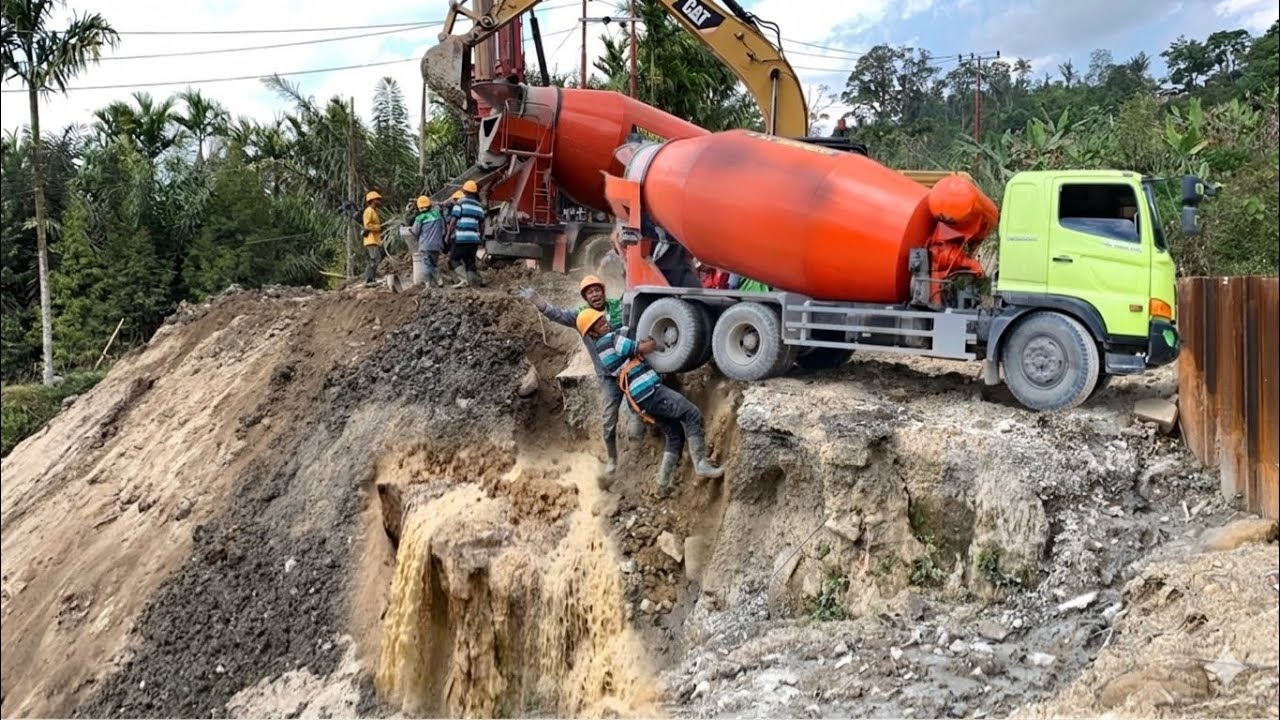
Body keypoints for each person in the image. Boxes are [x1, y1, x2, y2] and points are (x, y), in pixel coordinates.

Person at [577, 307, 724, 497]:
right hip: (649, 390)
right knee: (691, 413)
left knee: (675, 434)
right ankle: (701, 464)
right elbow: (643, 348)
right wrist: (655, 341)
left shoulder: (600, 350)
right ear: (592, 332)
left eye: (601, 320)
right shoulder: (612, 340)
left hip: (639, 400)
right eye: (598, 324)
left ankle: (663, 485)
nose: (603, 323)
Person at [518, 276, 627, 482]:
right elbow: (556, 314)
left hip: (630, 369)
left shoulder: (619, 307)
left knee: (639, 410)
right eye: (590, 292)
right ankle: (612, 460)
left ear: (603, 291)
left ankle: (642, 449)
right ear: (585, 297)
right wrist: (537, 300)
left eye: (597, 290)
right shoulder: (581, 316)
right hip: (608, 375)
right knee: (608, 420)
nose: (595, 294)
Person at [449, 180, 485, 287]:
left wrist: (447, 235)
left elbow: (453, 221)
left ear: (464, 191)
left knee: (453, 259)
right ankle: (473, 283)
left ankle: (463, 280)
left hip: (461, 237)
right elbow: (482, 225)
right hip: (474, 239)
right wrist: (481, 237)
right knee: (470, 262)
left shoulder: (460, 203)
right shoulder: (479, 206)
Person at [410, 195, 446, 287]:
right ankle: (439, 281)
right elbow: (443, 230)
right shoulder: (437, 215)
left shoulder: (420, 218)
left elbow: (415, 231)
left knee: (426, 265)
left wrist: (412, 231)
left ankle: (428, 284)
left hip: (425, 246)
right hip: (437, 245)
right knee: (434, 264)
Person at [362, 190, 384, 285]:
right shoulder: (368, 211)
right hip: (371, 240)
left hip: (375, 240)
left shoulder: (374, 211)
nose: (379, 201)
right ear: (372, 200)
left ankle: (371, 279)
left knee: (375, 259)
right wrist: (378, 227)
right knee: (374, 259)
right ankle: (369, 279)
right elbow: (367, 225)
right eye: (377, 200)